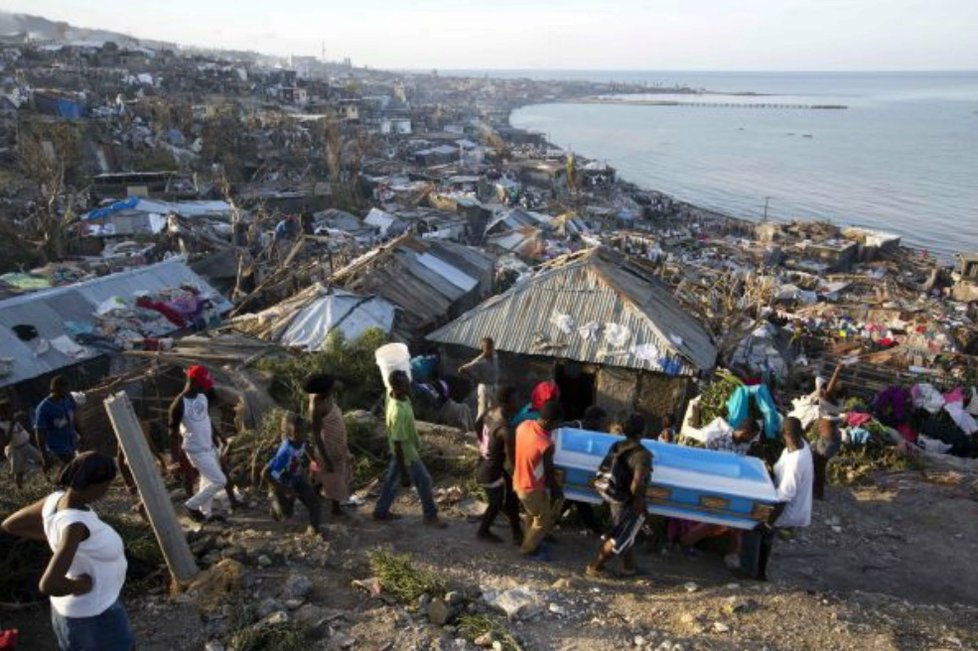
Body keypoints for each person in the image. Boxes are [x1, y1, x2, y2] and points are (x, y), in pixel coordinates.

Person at [1, 452, 134, 650]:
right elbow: (49, 584)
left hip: (79, 613)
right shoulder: (75, 525)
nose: (105, 493)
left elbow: (10, 525)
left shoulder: (54, 500)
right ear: (92, 485)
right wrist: (83, 585)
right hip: (94, 615)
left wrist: (55, 537)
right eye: (105, 487)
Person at [373, 370, 447, 528]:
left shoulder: (395, 395)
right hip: (406, 453)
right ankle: (430, 515)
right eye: (406, 383)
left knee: (391, 481)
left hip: (404, 449)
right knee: (424, 480)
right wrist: (405, 473)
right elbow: (398, 443)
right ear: (398, 388)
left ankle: (380, 511)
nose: (409, 385)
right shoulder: (398, 412)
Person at [587, 414, 653, 578]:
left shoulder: (617, 445)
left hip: (614, 495)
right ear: (643, 431)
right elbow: (637, 483)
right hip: (628, 500)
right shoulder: (642, 455)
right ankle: (595, 567)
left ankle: (629, 567)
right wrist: (638, 502)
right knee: (620, 536)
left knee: (626, 532)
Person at [754, 416, 814, 581]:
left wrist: (768, 522)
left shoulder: (797, 461)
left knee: (763, 533)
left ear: (783, 433)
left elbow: (784, 498)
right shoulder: (799, 445)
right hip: (786, 500)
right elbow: (780, 468)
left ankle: (759, 574)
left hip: (788, 509)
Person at [169, 365, 227, 523]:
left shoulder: (201, 397)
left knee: (207, 480)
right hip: (196, 450)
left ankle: (205, 514)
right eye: (203, 385)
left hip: (209, 446)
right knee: (220, 481)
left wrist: (219, 437)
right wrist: (174, 461)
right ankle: (191, 506)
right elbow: (173, 434)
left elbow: (206, 419)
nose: (206, 388)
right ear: (193, 382)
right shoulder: (179, 404)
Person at [513, 400, 563, 560]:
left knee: (532, 514)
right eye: (557, 423)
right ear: (549, 421)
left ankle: (530, 540)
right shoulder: (546, 444)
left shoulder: (524, 425)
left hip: (519, 480)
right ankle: (527, 549)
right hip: (532, 487)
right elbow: (548, 471)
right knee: (544, 519)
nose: (558, 426)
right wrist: (556, 490)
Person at [263, 412, 325, 538]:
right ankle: (275, 507)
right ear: (289, 433)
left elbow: (307, 449)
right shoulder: (285, 452)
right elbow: (265, 473)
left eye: (303, 431)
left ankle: (314, 529)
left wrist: (314, 466)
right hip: (281, 483)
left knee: (314, 502)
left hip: (296, 477)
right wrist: (285, 489)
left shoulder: (301, 441)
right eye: (298, 432)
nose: (302, 435)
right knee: (286, 514)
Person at [475, 386, 523, 545]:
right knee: (497, 503)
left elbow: (477, 424)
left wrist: (483, 445)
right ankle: (483, 531)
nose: (519, 401)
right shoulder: (506, 430)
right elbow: (512, 459)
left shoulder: (491, 411)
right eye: (516, 399)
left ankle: (516, 531)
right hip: (491, 470)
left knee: (508, 499)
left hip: (485, 462)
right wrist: (519, 476)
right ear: (509, 401)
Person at [305, 373, 352, 518]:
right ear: (323, 391)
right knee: (334, 478)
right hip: (328, 448)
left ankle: (313, 494)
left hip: (337, 442)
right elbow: (316, 435)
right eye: (331, 387)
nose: (333, 389)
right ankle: (335, 508)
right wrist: (326, 459)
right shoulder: (316, 407)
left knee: (320, 474)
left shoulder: (325, 396)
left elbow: (337, 384)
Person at [558, 406, 609, 535]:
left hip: (579, 471)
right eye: (602, 421)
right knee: (577, 498)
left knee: (576, 497)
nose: (603, 425)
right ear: (594, 420)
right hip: (567, 469)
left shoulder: (595, 433)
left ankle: (554, 520)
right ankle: (595, 529)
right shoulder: (573, 426)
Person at [34, 376, 82, 471]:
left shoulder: (68, 400)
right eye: (64, 389)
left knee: (72, 466)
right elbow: (40, 433)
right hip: (57, 446)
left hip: (71, 441)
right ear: (55, 389)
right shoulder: (43, 408)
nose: (67, 392)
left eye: (68, 389)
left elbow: (74, 419)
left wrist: (81, 434)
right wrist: (44, 455)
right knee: (72, 466)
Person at [458, 337, 500, 426]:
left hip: (494, 386)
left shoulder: (495, 355)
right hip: (484, 387)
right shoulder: (480, 360)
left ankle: (489, 431)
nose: (490, 350)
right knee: (482, 411)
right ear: (483, 348)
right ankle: (478, 431)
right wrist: (468, 373)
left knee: (492, 410)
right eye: (487, 348)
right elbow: (465, 367)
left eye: (491, 347)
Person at [2, 399, 42, 489]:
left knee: (41, 460)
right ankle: (20, 488)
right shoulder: (2, 426)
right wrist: (12, 424)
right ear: (3, 414)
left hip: (26, 445)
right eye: (9, 412)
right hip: (15, 450)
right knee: (19, 472)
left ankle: (48, 479)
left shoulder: (13, 419)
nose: (12, 413)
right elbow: (5, 442)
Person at [811, 417, 841, 500]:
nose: (820, 428)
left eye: (822, 426)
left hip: (821, 455)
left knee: (819, 473)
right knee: (819, 472)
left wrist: (815, 448)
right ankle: (817, 492)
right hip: (822, 454)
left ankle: (818, 494)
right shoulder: (834, 434)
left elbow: (824, 451)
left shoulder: (831, 436)